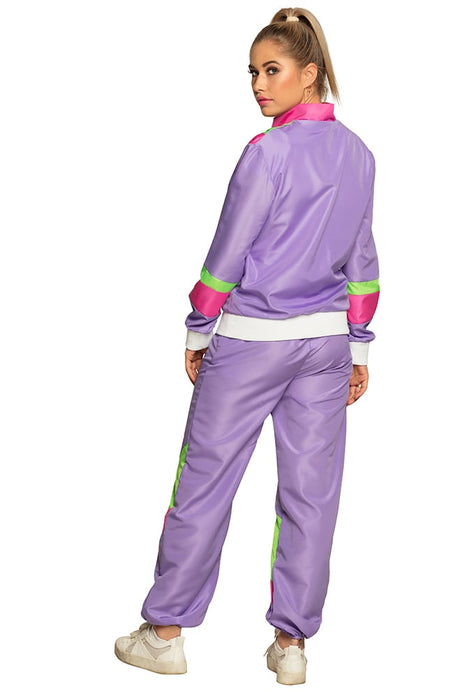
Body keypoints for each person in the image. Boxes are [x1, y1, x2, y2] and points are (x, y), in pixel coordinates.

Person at [114, 7, 380, 686]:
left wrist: (197, 328)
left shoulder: (266, 153)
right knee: (311, 496)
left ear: (308, 73)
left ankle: (165, 634)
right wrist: (358, 348)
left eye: (272, 70)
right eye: (253, 73)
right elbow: (362, 258)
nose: (259, 85)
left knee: (203, 484)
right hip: (325, 346)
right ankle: (291, 647)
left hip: (251, 342)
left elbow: (227, 253)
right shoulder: (358, 154)